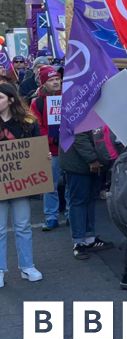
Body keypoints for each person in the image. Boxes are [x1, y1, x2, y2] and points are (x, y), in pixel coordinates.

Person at [0, 83, 43, 287]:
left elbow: (35, 148)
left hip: (21, 183)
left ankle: (27, 266)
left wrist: (43, 156)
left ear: (10, 100)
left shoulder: (27, 122)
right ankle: (0, 270)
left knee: (23, 225)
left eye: (0, 98)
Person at [60, 126, 115, 260]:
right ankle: (79, 242)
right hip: (79, 164)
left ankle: (89, 239)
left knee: (89, 200)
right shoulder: (79, 109)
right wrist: (93, 159)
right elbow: (79, 137)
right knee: (79, 202)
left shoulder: (84, 108)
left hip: (86, 162)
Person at [30, 65, 64, 230]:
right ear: (44, 83)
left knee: (71, 184)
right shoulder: (37, 103)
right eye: (51, 80)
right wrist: (52, 139)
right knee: (50, 185)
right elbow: (37, 126)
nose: (56, 82)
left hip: (70, 147)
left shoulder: (68, 96)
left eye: (57, 79)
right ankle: (51, 216)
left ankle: (71, 214)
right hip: (51, 150)